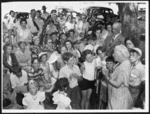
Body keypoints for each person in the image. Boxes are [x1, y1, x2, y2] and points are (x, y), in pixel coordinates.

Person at [103, 45, 133, 109]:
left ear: (120, 54)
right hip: (115, 96)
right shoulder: (120, 63)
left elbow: (117, 84)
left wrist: (106, 77)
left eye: (114, 53)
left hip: (119, 97)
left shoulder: (124, 66)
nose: (113, 55)